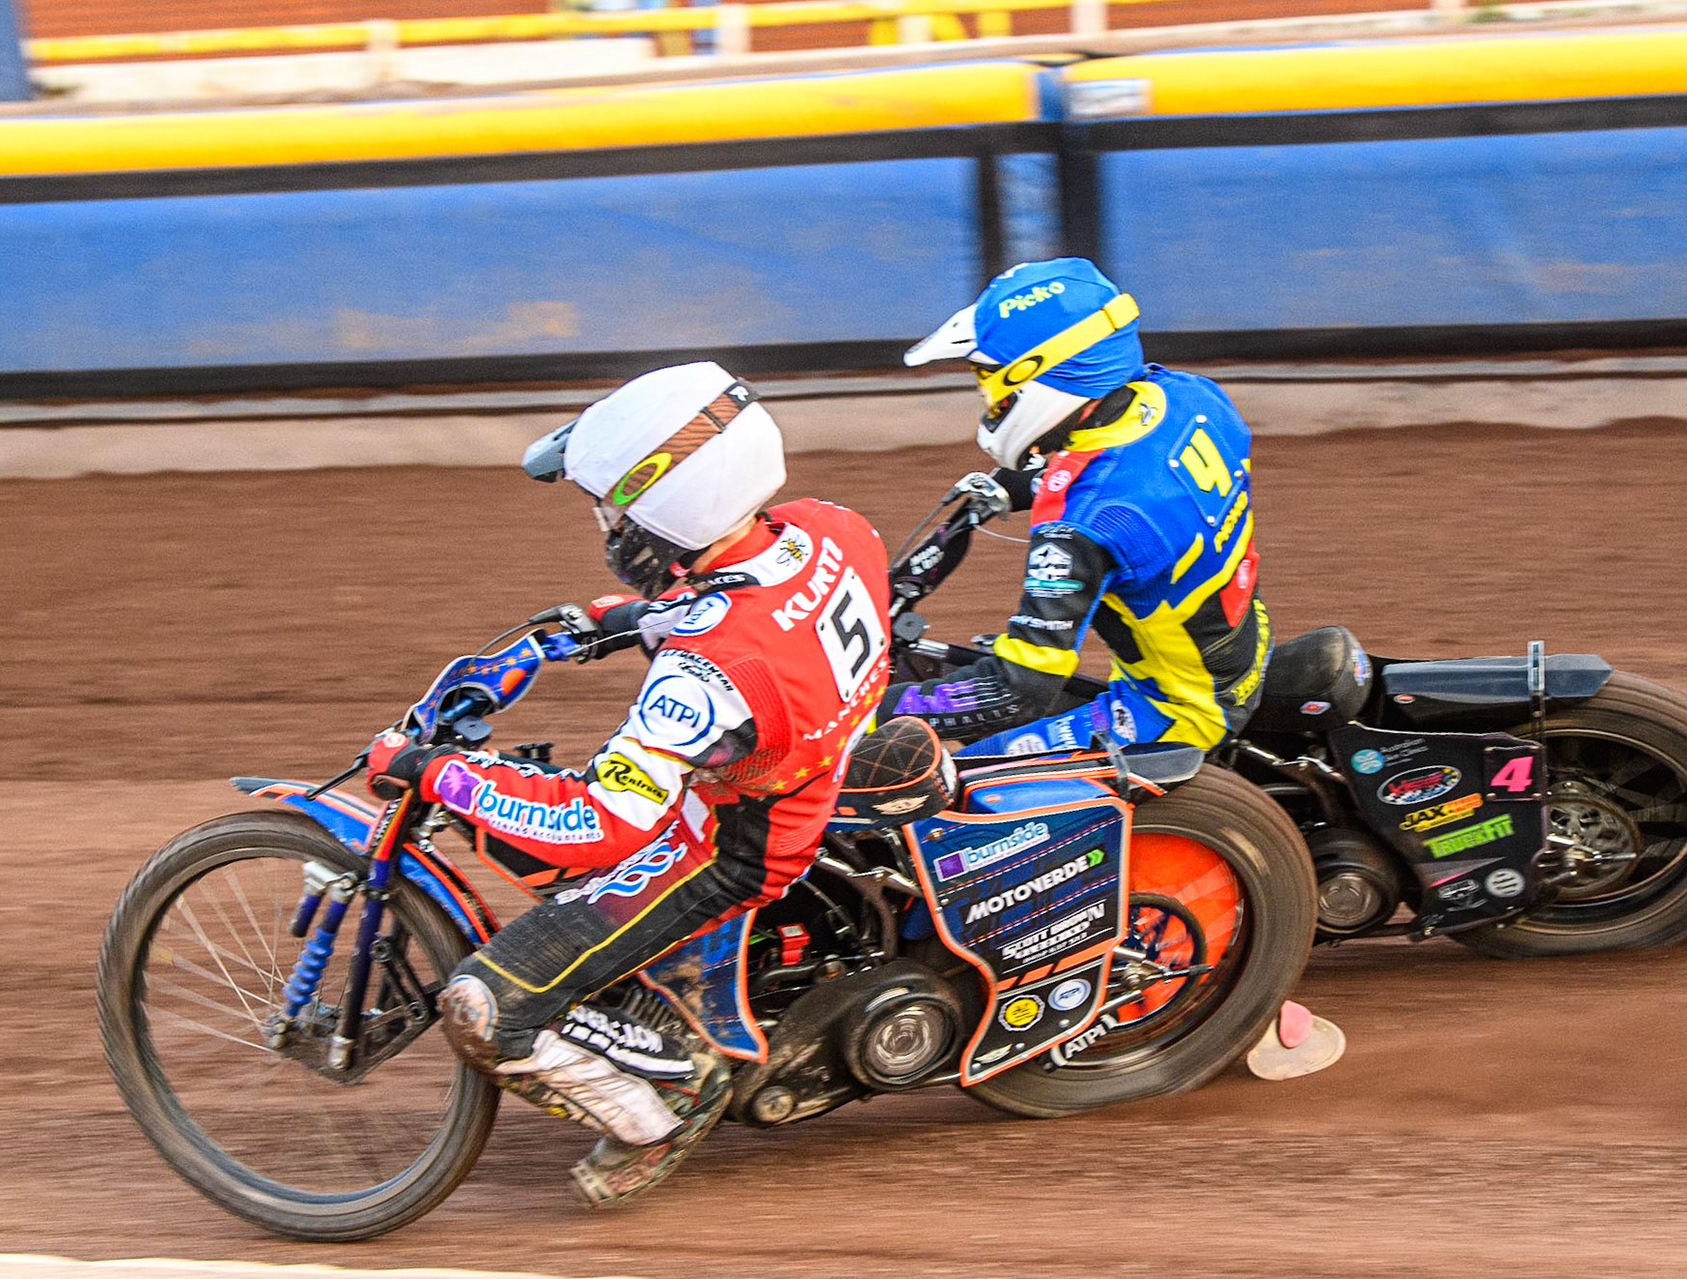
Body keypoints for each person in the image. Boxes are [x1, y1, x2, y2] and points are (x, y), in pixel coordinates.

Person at [363, 361, 892, 1206]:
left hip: (728, 846)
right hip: (816, 760)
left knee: (483, 1008)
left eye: (612, 507)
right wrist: (610, 621)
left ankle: (667, 1102)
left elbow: (598, 825)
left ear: (669, 505)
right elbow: (752, 603)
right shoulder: (830, 529)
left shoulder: (699, 677)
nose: (607, 526)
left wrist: (440, 772)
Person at [878, 257, 1270, 759]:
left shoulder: (1083, 523)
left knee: (938, 792)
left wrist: (875, 713)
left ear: (1039, 374)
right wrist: (1010, 489)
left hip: (1175, 712)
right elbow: (1134, 471)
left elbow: (1019, 687)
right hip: (1237, 652)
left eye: (988, 377)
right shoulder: (1190, 397)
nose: (985, 394)